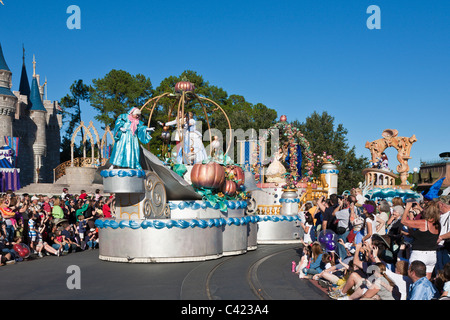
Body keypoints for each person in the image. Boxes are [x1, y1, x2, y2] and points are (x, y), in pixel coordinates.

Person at [401, 200, 440, 279]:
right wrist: (419, 208)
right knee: (426, 281)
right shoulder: (437, 224)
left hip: (419, 254)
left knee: (413, 277)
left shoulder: (423, 223)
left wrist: (407, 208)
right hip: (432, 255)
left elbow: (403, 221)